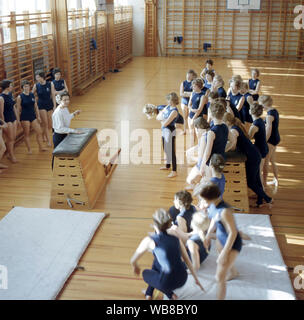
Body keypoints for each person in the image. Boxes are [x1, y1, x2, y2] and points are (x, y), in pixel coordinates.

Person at [130, 209, 204, 300]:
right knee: (157, 262)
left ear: (154, 225)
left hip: (167, 282)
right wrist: (196, 279)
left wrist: (135, 266)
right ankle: (149, 293)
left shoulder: (149, 240)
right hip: (182, 278)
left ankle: (169, 294)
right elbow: (187, 260)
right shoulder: (175, 236)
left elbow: (132, 260)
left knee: (145, 273)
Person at [201, 182, 242, 300]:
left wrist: (225, 252)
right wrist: (208, 234)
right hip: (221, 238)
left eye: (204, 200)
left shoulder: (225, 211)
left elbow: (233, 233)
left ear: (210, 198)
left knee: (219, 277)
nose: (202, 202)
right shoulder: (213, 205)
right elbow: (214, 219)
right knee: (223, 261)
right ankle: (234, 272)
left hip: (232, 243)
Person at [224, 112, 273, 208]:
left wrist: (223, 150)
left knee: (251, 182)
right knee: (257, 180)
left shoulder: (234, 130)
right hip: (255, 154)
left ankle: (268, 199)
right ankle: (260, 202)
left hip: (252, 157)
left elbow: (232, 144)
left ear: (227, 122)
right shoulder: (235, 127)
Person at [52, 91, 81, 168]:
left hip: (64, 135)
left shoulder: (65, 108)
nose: (67, 101)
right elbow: (60, 128)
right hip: (59, 136)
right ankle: (55, 171)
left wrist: (74, 114)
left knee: (66, 154)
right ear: (60, 101)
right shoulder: (58, 112)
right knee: (58, 156)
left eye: (68, 99)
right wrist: (74, 131)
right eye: (64, 100)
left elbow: (67, 118)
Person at [16, 80, 47, 153]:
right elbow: (18, 110)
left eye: (28, 86)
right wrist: (18, 120)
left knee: (39, 131)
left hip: (33, 116)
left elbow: (35, 106)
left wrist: (38, 116)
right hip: (24, 117)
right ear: (22, 87)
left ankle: (41, 147)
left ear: (30, 86)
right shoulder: (20, 97)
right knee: (26, 134)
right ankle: (29, 149)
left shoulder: (32, 94)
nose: (26, 87)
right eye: (25, 86)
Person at [199, 102, 228, 179]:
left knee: (211, 185)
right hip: (221, 159)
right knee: (218, 183)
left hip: (212, 162)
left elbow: (207, 152)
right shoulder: (225, 126)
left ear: (211, 114)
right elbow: (231, 141)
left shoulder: (211, 132)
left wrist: (202, 165)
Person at [259, 95, 280, 187]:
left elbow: (269, 130)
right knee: (272, 160)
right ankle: (276, 179)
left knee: (266, 162)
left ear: (264, 105)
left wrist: (264, 141)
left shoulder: (269, 116)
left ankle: (264, 182)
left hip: (271, 140)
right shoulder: (274, 111)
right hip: (276, 138)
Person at [157, 93, 179, 178]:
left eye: (168, 99)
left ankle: (174, 171)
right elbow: (159, 117)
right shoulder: (168, 107)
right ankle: (167, 166)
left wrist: (161, 120)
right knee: (165, 149)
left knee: (171, 151)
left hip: (170, 131)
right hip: (164, 130)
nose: (167, 101)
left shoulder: (174, 111)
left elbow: (166, 123)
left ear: (172, 101)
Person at [32, 71, 56, 146]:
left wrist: (54, 106)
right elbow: (31, 95)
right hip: (41, 106)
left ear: (42, 77)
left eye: (38, 77)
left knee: (50, 124)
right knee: (45, 124)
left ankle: (43, 135)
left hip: (49, 104)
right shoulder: (36, 85)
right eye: (36, 77)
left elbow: (53, 95)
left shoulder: (50, 84)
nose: (36, 78)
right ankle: (49, 141)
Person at [186, 117, 211, 188]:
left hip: (203, 164)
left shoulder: (204, 136)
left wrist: (195, 160)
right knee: (189, 153)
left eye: (196, 129)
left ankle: (199, 184)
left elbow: (202, 156)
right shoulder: (208, 132)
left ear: (199, 127)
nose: (196, 131)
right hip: (204, 162)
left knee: (189, 180)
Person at [248, 103, 269, 188]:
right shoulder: (260, 120)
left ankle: (262, 191)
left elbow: (249, 137)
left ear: (251, 112)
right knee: (259, 171)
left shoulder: (255, 125)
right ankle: (261, 189)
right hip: (263, 146)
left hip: (261, 149)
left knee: (259, 171)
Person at [0, 80, 19, 163]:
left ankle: (9, 154)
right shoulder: (1, 97)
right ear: (7, 87)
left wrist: (17, 118)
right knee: (10, 138)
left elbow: (13, 107)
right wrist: (4, 123)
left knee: (13, 137)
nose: (12, 87)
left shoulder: (11, 94)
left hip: (13, 118)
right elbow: (1, 112)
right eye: (11, 85)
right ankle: (11, 155)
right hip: (7, 120)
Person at [188, 78, 209, 148]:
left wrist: (193, 119)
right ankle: (191, 147)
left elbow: (200, 109)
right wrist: (192, 110)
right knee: (191, 132)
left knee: (198, 134)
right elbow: (189, 105)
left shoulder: (202, 96)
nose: (192, 87)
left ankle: (200, 148)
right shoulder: (193, 93)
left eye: (194, 86)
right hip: (190, 115)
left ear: (198, 86)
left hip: (198, 117)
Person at [179, 70, 197, 134]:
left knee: (191, 117)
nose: (188, 76)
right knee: (185, 117)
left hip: (191, 102)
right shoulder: (183, 83)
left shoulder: (194, 83)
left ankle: (192, 130)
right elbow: (181, 94)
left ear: (193, 76)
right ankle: (184, 130)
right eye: (187, 74)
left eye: (190, 75)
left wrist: (186, 93)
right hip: (184, 102)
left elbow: (194, 93)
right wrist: (189, 94)